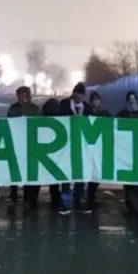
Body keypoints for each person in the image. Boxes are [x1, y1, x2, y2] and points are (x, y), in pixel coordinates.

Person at [60, 83, 98, 213]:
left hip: (82, 146)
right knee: (65, 174)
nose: (79, 97)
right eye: (77, 94)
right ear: (73, 94)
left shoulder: (86, 108)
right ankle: (65, 202)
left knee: (80, 173)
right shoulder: (64, 105)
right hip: (66, 146)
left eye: (81, 95)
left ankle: (78, 199)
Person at [7, 86, 40, 211]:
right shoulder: (14, 108)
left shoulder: (34, 109)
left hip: (29, 143)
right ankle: (13, 194)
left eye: (21, 95)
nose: (20, 97)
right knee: (14, 169)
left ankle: (27, 197)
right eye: (18, 95)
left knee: (27, 170)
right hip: (16, 142)